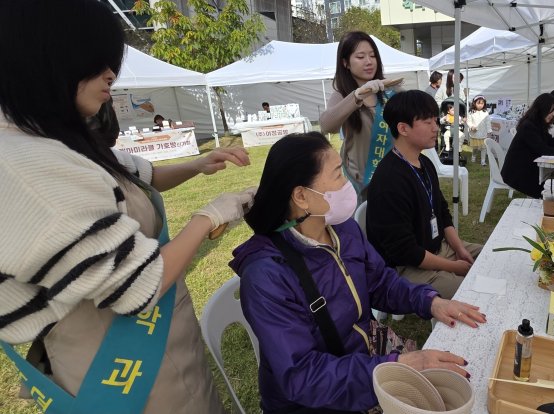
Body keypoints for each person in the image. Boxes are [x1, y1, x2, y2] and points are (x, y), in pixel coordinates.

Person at [0, 1, 256, 412]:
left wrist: (198, 164)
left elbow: (137, 176)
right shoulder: (25, 164)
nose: (111, 74)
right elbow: (140, 284)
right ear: (47, 57)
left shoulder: (56, 135)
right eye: (97, 60)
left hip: (162, 340)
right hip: (116, 365)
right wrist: (210, 215)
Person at [233, 132, 485, 413]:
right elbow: (302, 376)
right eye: (338, 175)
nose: (347, 185)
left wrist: (430, 301)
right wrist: (397, 366)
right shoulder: (267, 275)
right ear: (302, 196)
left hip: (360, 358)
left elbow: (380, 283)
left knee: (451, 385)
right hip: (314, 400)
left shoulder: (343, 230)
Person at [367, 90, 483, 300]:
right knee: (475, 295)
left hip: (439, 249)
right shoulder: (389, 180)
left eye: (435, 120)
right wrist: (454, 267)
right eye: (427, 121)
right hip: (406, 268)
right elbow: (404, 251)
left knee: (494, 256)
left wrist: (459, 248)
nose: (435, 127)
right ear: (403, 128)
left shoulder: (425, 162)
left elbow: (442, 211)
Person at [319, 31, 402, 200]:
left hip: (394, 177)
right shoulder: (342, 94)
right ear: (345, 63)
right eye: (360, 57)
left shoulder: (390, 90)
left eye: (372, 56)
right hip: (360, 182)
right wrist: (357, 95)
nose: (369, 62)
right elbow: (327, 126)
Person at [501, 93, 554, 198]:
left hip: (529, 169)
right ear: (542, 109)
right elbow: (544, 150)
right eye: (551, 111)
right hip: (519, 174)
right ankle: (553, 207)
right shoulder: (528, 126)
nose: (553, 114)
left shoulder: (539, 124)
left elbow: (552, 142)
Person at [467, 95, 490, 165]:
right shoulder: (471, 112)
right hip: (475, 133)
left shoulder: (485, 113)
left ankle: (483, 161)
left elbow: (488, 122)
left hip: (483, 133)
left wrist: (489, 131)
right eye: (478, 103)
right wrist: (471, 126)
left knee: (484, 147)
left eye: (482, 103)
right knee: (475, 147)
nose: (480, 105)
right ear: (474, 103)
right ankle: (473, 156)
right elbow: (468, 121)